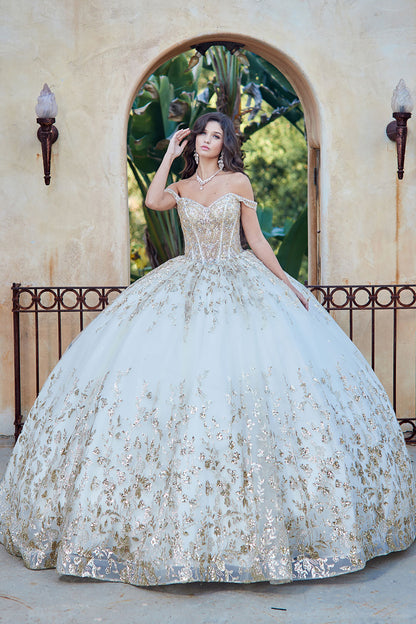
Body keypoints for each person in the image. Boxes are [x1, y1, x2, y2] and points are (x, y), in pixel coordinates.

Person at [0, 112, 414, 587]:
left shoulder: (239, 181)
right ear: (193, 138)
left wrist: (287, 285)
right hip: (184, 283)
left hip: (239, 283)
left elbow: (255, 239)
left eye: (217, 136)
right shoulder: (179, 186)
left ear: (225, 144)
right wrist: (171, 157)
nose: (209, 141)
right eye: (203, 134)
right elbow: (154, 200)